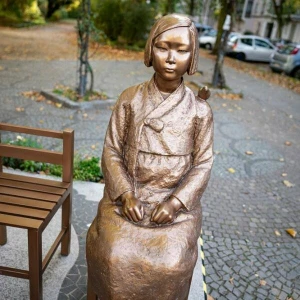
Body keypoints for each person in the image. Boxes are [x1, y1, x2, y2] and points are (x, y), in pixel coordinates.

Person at [86, 14, 214, 300]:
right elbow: (111, 150)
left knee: (171, 263)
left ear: (192, 56)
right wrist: (124, 195)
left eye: (181, 50)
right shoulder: (130, 98)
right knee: (113, 254)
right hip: (128, 197)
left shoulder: (199, 111)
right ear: (149, 49)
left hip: (174, 206)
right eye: (163, 47)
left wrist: (176, 202)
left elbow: (203, 163)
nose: (171, 58)